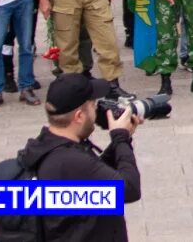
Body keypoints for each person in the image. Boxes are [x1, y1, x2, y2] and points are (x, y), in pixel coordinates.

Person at [12, 74, 141, 241]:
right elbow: (129, 189)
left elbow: (95, 173)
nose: (97, 112)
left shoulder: (48, 146)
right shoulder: (71, 160)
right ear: (79, 116)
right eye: (93, 106)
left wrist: (121, 140)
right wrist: (120, 138)